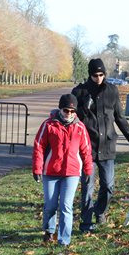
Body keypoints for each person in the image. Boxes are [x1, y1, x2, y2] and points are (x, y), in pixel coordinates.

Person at [71, 59, 129, 231]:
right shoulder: (79, 91)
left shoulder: (112, 90)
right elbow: (71, 119)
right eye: (95, 75)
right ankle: (86, 223)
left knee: (108, 186)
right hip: (87, 148)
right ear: (90, 74)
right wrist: (83, 109)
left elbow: (120, 118)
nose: (99, 78)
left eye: (102, 74)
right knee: (87, 187)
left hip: (108, 146)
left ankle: (100, 210)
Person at [32, 94, 92, 246]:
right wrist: (37, 168)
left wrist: (88, 169)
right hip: (51, 171)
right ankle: (49, 230)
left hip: (71, 172)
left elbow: (86, 149)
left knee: (66, 206)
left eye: (72, 111)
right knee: (50, 205)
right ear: (60, 109)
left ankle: (64, 240)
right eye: (66, 110)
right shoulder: (49, 125)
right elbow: (39, 146)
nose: (69, 114)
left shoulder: (80, 127)